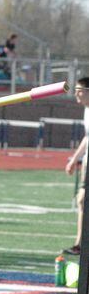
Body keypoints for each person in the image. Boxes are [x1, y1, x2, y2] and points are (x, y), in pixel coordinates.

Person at [65, 77, 89, 255]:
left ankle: (80, 243)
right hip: (87, 163)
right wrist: (74, 159)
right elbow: (87, 138)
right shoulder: (86, 111)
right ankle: (80, 243)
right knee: (82, 200)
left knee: (82, 200)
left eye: (79, 90)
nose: (76, 93)